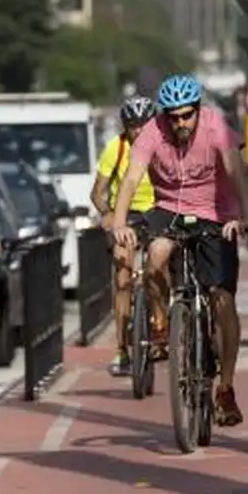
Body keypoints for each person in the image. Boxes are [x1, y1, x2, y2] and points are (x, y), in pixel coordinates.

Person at [111, 74, 248, 427]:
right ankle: (162, 326)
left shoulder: (215, 125)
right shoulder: (153, 132)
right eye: (173, 116)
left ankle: (226, 388)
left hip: (216, 212)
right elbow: (131, 178)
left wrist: (243, 217)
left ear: (197, 110)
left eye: (186, 115)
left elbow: (235, 169)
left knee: (222, 297)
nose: (180, 123)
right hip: (170, 210)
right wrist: (119, 224)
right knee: (156, 254)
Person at [90, 95, 167, 376]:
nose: (138, 131)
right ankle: (121, 348)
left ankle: (160, 325)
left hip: (159, 211)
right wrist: (108, 215)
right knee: (122, 274)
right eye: (133, 126)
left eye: (144, 125)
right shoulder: (116, 148)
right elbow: (97, 193)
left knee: (159, 265)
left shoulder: (164, 145)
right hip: (128, 215)